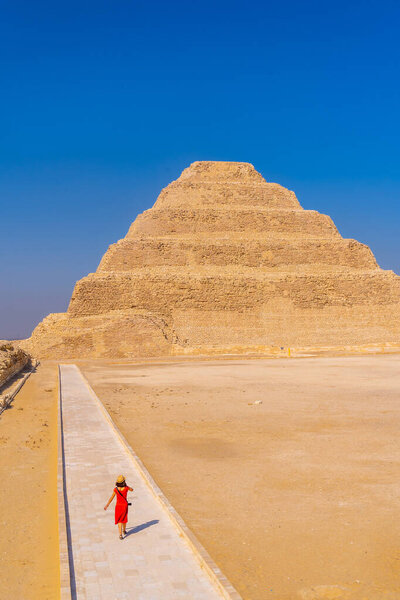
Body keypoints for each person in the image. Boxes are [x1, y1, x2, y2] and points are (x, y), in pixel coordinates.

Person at [104, 475, 133, 539]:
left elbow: (111, 497)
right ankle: (124, 530)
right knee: (124, 519)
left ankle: (120, 535)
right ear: (124, 482)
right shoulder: (126, 488)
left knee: (119, 520)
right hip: (124, 505)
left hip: (118, 506)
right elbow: (132, 490)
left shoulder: (116, 489)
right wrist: (127, 485)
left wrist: (107, 505)